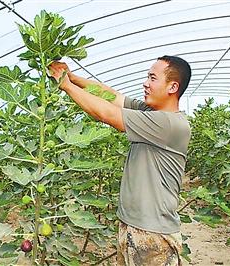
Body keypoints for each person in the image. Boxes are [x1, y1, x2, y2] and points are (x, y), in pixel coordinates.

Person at [49, 55, 191, 266]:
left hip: (152, 234)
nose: (145, 83)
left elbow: (107, 113)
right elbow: (110, 96)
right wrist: (73, 77)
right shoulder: (151, 112)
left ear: (172, 87)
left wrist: (66, 86)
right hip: (133, 226)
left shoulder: (169, 124)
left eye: (152, 78)